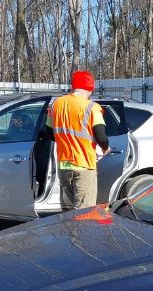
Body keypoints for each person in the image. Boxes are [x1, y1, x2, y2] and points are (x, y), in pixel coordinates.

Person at [42, 70, 110, 210]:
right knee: (84, 213)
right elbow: (101, 137)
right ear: (90, 89)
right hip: (84, 165)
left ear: (73, 87)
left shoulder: (56, 104)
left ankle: (69, 232)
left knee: (68, 212)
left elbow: (48, 133)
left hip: (64, 165)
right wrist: (105, 148)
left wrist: (66, 141)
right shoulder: (92, 107)